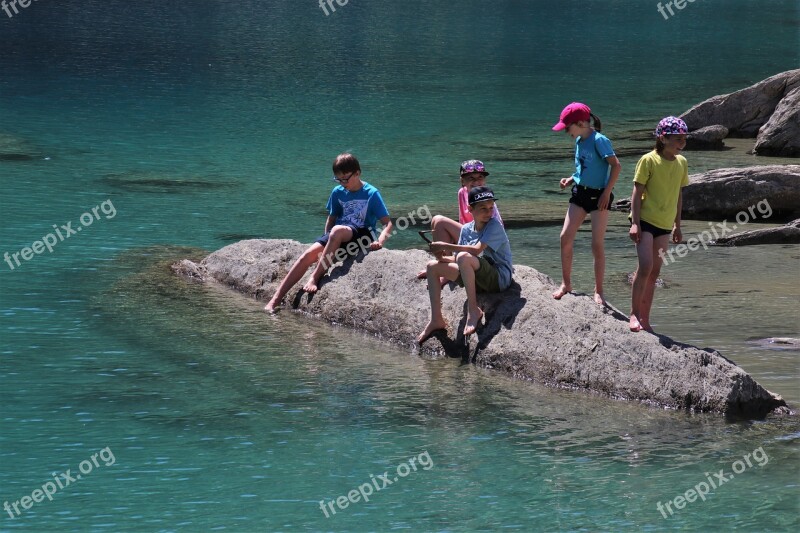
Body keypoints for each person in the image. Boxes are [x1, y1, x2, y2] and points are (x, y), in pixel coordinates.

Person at [264, 153, 393, 313]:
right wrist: (327, 243)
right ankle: (274, 300)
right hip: (339, 233)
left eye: (345, 179)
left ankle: (315, 277)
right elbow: (331, 219)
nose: (342, 183)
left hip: (362, 234)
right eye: (338, 179)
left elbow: (388, 223)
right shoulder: (337, 192)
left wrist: (380, 241)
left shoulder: (371, 193)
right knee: (307, 255)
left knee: (337, 231)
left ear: (358, 173)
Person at [417, 186, 513, 342]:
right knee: (431, 266)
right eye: (483, 208)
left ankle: (473, 310)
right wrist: (439, 255)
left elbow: (475, 250)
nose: (489, 212)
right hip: (476, 276)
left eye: (491, 208)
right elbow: (457, 259)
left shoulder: (494, 225)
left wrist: (446, 246)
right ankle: (436, 319)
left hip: (498, 278)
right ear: (470, 209)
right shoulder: (467, 229)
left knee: (463, 256)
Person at [551, 102, 621, 306]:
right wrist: (571, 179)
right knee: (565, 236)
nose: (566, 132)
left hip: (600, 197)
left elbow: (616, 167)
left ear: (581, 123)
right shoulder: (580, 140)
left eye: (567, 127)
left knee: (596, 244)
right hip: (580, 194)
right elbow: (583, 168)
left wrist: (606, 193)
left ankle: (599, 291)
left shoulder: (600, 141)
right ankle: (566, 284)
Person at [629, 117, 689, 332]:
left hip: (664, 224)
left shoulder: (681, 163)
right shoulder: (649, 160)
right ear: (663, 138)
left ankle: (646, 319)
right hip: (645, 221)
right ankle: (634, 314)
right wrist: (635, 223)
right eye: (678, 139)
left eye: (684, 139)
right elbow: (637, 193)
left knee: (655, 273)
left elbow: (678, 196)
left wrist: (677, 225)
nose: (682, 143)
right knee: (645, 267)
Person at [417, 160, 503, 280]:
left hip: (485, 244)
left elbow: (496, 231)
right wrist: (454, 242)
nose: (477, 182)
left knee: (440, 221)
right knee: (437, 221)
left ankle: (447, 270)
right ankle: (445, 265)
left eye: (480, 177)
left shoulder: (486, 200)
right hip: (471, 236)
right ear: (462, 181)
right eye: (471, 178)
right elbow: (464, 223)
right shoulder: (462, 193)